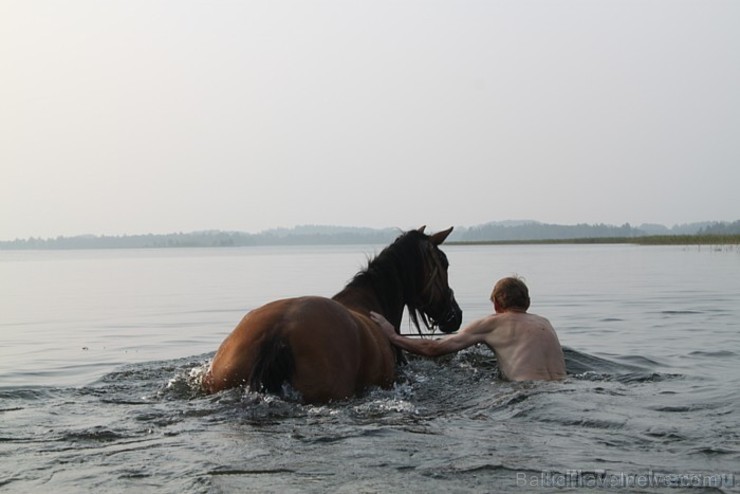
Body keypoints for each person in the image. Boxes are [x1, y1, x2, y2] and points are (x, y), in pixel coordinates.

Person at [370, 276, 566, 381]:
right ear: (528, 303)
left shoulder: (492, 323)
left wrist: (393, 335)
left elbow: (433, 349)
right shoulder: (545, 322)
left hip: (525, 391)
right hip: (562, 389)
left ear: (496, 304)